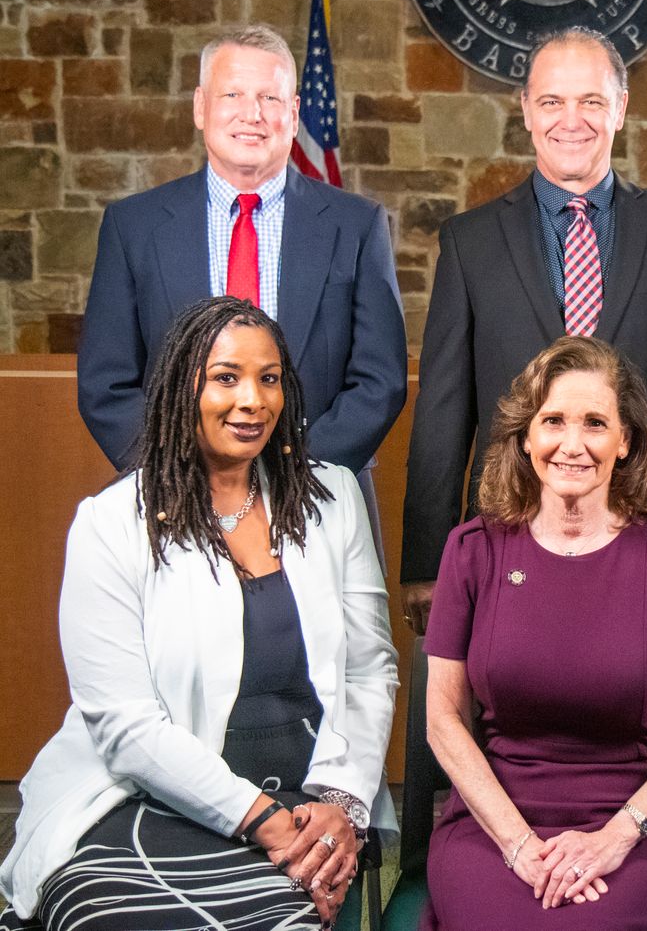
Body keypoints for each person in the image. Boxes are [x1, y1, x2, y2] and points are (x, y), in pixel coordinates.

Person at [0, 296, 399, 931]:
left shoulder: (332, 499)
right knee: (107, 916)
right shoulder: (110, 524)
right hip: (144, 796)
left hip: (307, 797)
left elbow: (370, 671)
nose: (253, 400)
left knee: (281, 921)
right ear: (180, 388)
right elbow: (126, 727)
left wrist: (339, 803)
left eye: (269, 378)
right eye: (225, 378)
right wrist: (261, 822)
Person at [401, 26, 647, 632]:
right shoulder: (470, 243)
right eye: (552, 101)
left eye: (591, 101)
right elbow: (443, 414)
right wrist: (427, 558)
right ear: (527, 112)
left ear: (620, 109)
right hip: (508, 533)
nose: (572, 119)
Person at [421, 337, 647, 931]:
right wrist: (516, 845)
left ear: (625, 440)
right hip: (494, 820)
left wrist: (614, 840)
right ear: (526, 437)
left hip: (638, 822)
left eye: (595, 423)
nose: (572, 444)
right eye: (553, 421)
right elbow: (441, 721)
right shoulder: (472, 550)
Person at [77, 23, 406, 555]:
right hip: (173, 500)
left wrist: (295, 473)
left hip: (321, 499)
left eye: (269, 97)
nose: (252, 114)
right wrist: (178, 469)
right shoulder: (133, 227)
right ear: (201, 107)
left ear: (294, 113)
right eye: (233, 94)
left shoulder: (356, 225)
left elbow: (380, 379)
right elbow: (106, 382)